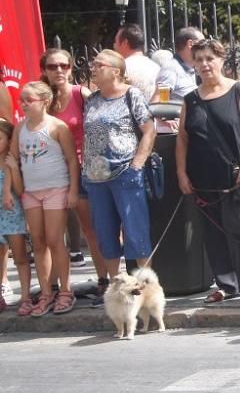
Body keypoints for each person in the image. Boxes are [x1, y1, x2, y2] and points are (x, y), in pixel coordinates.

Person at [177, 38, 240, 304]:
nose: (204, 65)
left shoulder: (238, 91)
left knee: (238, 232)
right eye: (199, 60)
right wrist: (182, 173)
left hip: (235, 177)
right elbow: (182, 138)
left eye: (209, 59)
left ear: (221, 61)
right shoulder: (190, 100)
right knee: (213, 234)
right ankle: (226, 284)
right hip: (202, 178)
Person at [82, 50, 156, 302]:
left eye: (99, 64)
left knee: (136, 232)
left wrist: (138, 163)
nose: (93, 68)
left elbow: (149, 130)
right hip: (95, 178)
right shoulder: (91, 100)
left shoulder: (130, 95)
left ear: (116, 70)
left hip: (125, 172)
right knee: (105, 233)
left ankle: (145, 287)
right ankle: (117, 289)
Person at [8, 81, 79, 316]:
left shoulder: (57, 127)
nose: (24, 104)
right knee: (37, 242)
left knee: (54, 240)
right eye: (22, 100)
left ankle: (66, 291)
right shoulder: (20, 128)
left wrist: (72, 190)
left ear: (44, 101)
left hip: (55, 189)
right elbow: (12, 160)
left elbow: (71, 160)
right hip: (31, 191)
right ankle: (46, 292)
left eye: (29, 100)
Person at [40, 48, 108, 288]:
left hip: (82, 169)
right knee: (52, 236)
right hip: (52, 172)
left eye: (64, 65)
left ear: (71, 68)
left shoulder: (82, 94)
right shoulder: (42, 100)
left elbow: (102, 126)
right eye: (52, 66)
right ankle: (55, 288)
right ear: (44, 71)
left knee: (90, 229)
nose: (59, 70)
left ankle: (103, 280)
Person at [0, 119, 30, 316]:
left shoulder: (12, 161)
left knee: (20, 257)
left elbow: (20, 191)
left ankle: (26, 297)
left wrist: (13, 170)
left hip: (13, 214)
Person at [155, 27, 205, 101]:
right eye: (202, 43)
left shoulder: (194, 68)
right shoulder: (171, 69)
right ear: (190, 44)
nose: (205, 48)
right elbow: (160, 102)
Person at [114, 24, 161, 101]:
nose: (114, 46)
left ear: (125, 42)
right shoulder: (156, 67)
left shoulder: (121, 69)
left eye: (115, 42)